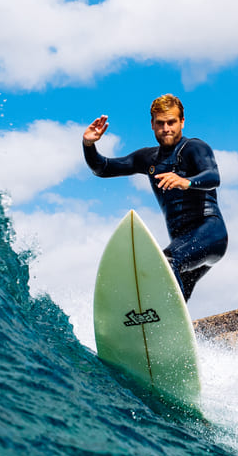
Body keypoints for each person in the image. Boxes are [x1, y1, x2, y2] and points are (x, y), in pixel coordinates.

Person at [82, 94, 228, 301]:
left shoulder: (195, 148)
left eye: (172, 122)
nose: (166, 128)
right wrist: (88, 145)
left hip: (210, 233)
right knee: (173, 294)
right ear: (152, 124)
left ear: (182, 122)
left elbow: (213, 176)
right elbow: (102, 168)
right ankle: (172, 332)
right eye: (160, 123)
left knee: (167, 262)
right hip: (183, 243)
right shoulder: (148, 158)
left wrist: (186, 182)